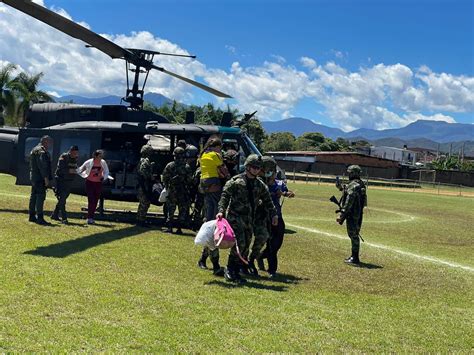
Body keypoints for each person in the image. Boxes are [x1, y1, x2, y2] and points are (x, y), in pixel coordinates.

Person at [217, 154, 278, 283]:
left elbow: (268, 200)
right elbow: (225, 196)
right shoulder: (236, 181)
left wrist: (274, 214)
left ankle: (237, 269)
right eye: (254, 167)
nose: (256, 170)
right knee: (240, 243)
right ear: (247, 167)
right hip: (235, 217)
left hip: (249, 219)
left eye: (258, 168)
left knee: (246, 246)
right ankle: (229, 268)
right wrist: (221, 211)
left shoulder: (259, 185)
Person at [257, 157, 295, 277]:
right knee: (271, 244)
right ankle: (272, 270)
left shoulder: (279, 183)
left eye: (272, 171)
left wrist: (285, 194)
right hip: (264, 216)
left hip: (277, 216)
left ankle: (260, 256)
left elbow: (287, 192)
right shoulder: (260, 183)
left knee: (277, 243)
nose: (271, 174)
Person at [197, 137, 229, 276]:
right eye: (220, 147)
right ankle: (210, 262)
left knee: (209, 219)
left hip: (204, 185)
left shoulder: (203, 154)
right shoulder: (216, 155)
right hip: (214, 184)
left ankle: (203, 259)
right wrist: (228, 177)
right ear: (216, 147)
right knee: (216, 223)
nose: (220, 150)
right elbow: (223, 170)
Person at [336, 165, 367, 265]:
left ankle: (355, 258)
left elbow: (349, 200)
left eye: (350, 173)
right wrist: (340, 188)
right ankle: (354, 256)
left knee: (353, 235)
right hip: (358, 213)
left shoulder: (353, 185)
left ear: (354, 173)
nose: (348, 174)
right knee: (354, 234)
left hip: (352, 214)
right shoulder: (360, 184)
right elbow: (348, 191)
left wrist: (342, 214)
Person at [162, 147, 193, 234]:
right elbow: (190, 180)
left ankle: (170, 228)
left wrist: (167, 186)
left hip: (172, 190)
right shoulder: (186, 167)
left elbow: (164, 178)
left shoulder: (169, 165)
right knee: (182, 210)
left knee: (171, 209)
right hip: (183, 191)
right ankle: (179, 228)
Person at [77, 150, 111, 225]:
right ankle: (89, 218)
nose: (101, 158)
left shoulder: (103, 162)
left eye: (102, 156)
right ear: (95, 156)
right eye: (99, 156)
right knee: (91, 200)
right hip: (90, 183)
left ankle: (91, 217)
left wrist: (103, 177)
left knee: (95, 200)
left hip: (98, 183)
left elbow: (106, 171)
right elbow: (80, 169)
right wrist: (84, 175)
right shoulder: (89, 162)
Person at [28, 135, 53, 225]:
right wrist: (46, 178)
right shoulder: (41, 151)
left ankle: (31, 216)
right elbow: (42, 166)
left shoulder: (35, 149)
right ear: (45, 141)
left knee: (33, 196)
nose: (50, 145)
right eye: (49, 143)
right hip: (40, 178)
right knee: (40, 197)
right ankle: (40, 217)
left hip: (34, 177)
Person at [51, 145, 79, 224]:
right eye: (74, 153)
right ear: (70, 151)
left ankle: (55, 215)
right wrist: (72, 171)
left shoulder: (75, 159)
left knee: (62, 199)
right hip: (61, 181)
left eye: (76, 153)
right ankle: (64, 218)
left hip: (69, 181)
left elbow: (75, 168)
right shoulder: (64, 157)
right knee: (62, 199)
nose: (75, 154)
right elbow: (61, 169)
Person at [136, 144, 155, 227]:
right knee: (144, 203)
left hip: (143, 184)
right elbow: (143, 172)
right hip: (144, 184)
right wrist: (150, 176)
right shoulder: (145, 161)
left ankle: (140, 219)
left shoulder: (142, 160)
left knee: (143, 203)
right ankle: (141, 220)